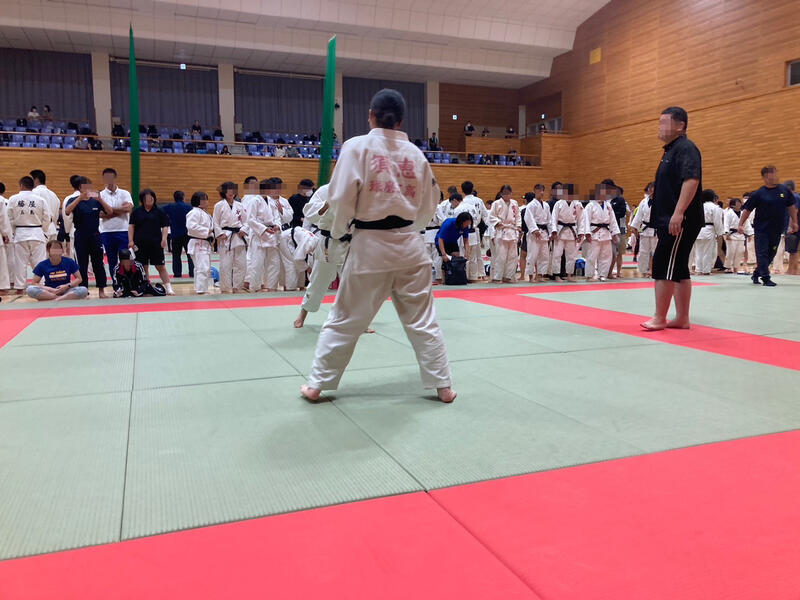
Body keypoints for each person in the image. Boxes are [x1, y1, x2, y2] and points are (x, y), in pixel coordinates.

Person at [301, 88, 455, 404]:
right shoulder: (416, 154)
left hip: (370, 244)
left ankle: (317, 385)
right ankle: (444, 387)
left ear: (371, 115)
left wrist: (341, 231)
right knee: (423, 321)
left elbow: (340, 197)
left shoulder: (357, 147)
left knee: (345, 318)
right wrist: (412, 227)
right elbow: (431, 203)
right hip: (411, 245)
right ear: (401, 120)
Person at [642, 107, 704, 331]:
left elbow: (691, 180)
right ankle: (682, 318)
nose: (659, 127)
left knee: (662, 264)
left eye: (663, 122)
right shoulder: (671, 150)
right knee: (678, 269)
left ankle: (659, 317)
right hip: (670, 218)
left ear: (680, 126)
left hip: (678, 219)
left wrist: (678, 212)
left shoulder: (685, 148)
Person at [737, 166, 798, 286]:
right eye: (771, 175)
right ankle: (765, 277)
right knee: (762, 253)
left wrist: (794, 222)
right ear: (765, 177)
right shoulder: (759, 193)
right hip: (761, 229)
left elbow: (791, 207)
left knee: (771, 253)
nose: (774, 177)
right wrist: (740, 224)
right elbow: (747, 210)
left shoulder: (784, 191)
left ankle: (756, 273)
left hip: (777, 228)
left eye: (775, 174)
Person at [64, 176, 112, 298]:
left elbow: (110, 211)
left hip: (95, 235)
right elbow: (67, 211)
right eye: (85, 187)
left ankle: (101, 290)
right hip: (80, 235)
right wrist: (79, 198)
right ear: (80, 188)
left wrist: (100, 199)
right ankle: (84, 290)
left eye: (89, 186)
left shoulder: (95, 201)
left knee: (98, 263)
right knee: (82, 264)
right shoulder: (73, 200)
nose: (87, 189)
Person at [7, 176, 52, 293]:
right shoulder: (40, 200)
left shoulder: (13, 199)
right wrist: (43, 230)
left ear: (21, 185)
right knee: (39, 262)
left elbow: (9, 218)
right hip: (37, 233)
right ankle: (41, 285)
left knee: (20, 263)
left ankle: (19, 288)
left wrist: (13, 231)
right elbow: (47, 218)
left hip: (20, 234)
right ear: (33, 186)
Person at [129, 189, 175, 295]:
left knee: (161, 266)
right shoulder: (136, 212)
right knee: (143, 267)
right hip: (140, 244)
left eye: (151, 198)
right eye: (147, 198)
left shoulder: (159, 211)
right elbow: (131, 226)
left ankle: (168, 288)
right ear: (142, 200)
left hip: (156, 243)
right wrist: (131, 240)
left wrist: (164, 239)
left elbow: (165, 226)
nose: (149, 200)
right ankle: (146, 287)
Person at [212, 181, 249, 292]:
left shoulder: (240, 205)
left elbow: (246, 221)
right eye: (228, 190)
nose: (231, 192)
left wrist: (243, 230)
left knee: (241, 264)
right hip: (226, 237)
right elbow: (215, 222)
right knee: (225, 265)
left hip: (238, 236)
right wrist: (220, 233)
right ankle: (225, 288)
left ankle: (237, 287)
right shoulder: (219, 205)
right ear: (224, 192)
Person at [247, 179, 281, 292]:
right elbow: (250, 220)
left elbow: (277, 217)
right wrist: (264, 229)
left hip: (272, 235)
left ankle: (271, 286)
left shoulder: (272, 201)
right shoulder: (254, 201)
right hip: (259, 235)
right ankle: (255, 287)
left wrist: (277, 225)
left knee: (274, 262)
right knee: (257, 263)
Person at [99, 167, 133, 280]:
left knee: (125, 258)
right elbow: (100, 214)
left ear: (115, 178)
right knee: (111, 259)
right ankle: (116, 282)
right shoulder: (100, 195)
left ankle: (127, 281)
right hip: (106, 231)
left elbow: (128, 209)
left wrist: (109, 210)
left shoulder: (125, 193)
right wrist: (119, 210)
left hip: (123, 230)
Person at [583, 182, 621, 281]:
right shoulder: (590, 206)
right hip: (594, 233)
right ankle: (589, 275)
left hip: (606, 233)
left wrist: (614, 233)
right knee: (592, 255)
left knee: (606, 255)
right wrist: (587, 233)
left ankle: (602, 274)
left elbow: (613, 220)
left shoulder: (608, 205)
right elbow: (586, 220)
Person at [549, 183, 585, 282]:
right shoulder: (558, 204)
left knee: (571, 255)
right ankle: (557, 275)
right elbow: (553, 218)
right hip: (560, 231)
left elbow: (581, 219)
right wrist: (554, 230)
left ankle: (569, 275)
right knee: (557, 254)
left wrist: (581, 232)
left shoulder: (578, 204)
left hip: (572, 231)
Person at [455, 180, 488, 282]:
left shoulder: (459, 207)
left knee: (464, 255)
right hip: (474, 231)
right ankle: (475, 276)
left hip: (462, 233)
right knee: (475, 255)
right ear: (472, 189)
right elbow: (484, 216)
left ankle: (464, 276)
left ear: (462, 191)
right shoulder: (477, 202)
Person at [488, 185, 521, 283]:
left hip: (512, 231)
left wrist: (519, 225)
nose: (506, 195)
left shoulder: (514, 203)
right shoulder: (496, 203)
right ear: (501, 194)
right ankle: (497, 277)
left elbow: (518, 216)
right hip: (501, 231)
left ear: (511, 193)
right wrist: (497, 222)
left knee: (513, 256)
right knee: (501, 256)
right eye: (504, 193)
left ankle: (508, 276)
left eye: (508, 193)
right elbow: (491, 216)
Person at [186, 191, 215, 294]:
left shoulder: (205, 213)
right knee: (203, 267)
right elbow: (191, 227)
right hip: (198, 242)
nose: (207, 201)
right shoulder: (194, 212)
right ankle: (201, 290)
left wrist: (211, 235)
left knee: (200, 268)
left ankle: (199, 288)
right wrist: (207, 231)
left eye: (207, 199)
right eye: (204, 199)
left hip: (204, 242)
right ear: (198, 201)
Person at [240, 176, 265, 292]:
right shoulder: (248, 198)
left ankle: (255, 281)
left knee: (257, 257)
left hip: (258, 230)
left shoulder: (257, 197)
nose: (255, 185)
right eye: (252, 184)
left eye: (256, 183)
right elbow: (247, 217)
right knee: (252, 257)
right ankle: (248, 281)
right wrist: (245, 229)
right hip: (251, 230)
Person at [162, 190, 194, 279]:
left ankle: (177, 274)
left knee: (176, 256)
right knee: (190, 255)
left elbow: (160, 211)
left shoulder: (170, 206)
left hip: (175, 234)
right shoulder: (189, 207)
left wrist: (167, 220)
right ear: (183, 197)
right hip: (187, 234)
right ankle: (192, 273)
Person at [523, 184, 551, 282]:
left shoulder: (546, 205)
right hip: (534, 234)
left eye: (543, 190)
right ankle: (530, 276)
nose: (541, 192)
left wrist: (551, 232)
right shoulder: (531, 205)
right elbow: (528, 218)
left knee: (544, 255)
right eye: (539, 190)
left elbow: (549, 221)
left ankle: (540, 275)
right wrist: (535, 230)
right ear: (535, 191)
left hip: (544, 233)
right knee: (532, 255)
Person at [693, 189, 725, 275]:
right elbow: (717, 221)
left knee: (698, 251)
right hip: (709, 230)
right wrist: (719, 233)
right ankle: (706, 271)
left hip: (698, 230)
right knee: (708, 251)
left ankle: (698, 270)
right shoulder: (715, 207)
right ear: (713, 197)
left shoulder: (698, 206)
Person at [630, 182, 657, 277]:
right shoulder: (644, 201)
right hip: (645, 229)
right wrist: (634, 228)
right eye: (650, 189)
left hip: (657, 229)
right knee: (643, 251)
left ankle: (654, 270)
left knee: (656, 251)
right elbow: (638, 216)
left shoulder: (662, 200)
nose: (651, 191)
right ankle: (644, 270)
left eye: (653, 188)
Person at [604, 179, 629, 278]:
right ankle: (602, 272)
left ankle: (612, 272)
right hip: (603, 229)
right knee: (604, 252)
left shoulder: (620, 200)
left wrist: (610, 215)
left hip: (618, 228)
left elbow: (623, 213)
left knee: (616, 252)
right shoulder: (602, 200)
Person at [30, 170, 61, 241]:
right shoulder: (53, 194)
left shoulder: (33, 193)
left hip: (39, 229)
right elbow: (56, 215)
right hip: (52, 228)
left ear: (36, 180)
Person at [724, 198, 747, 274]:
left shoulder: (743, 213)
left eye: (739, 203)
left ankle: (736, 267)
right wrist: (727, 233)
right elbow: (726, 223)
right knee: (730, 252)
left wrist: (750, 234)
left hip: (740, 235)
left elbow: (747, 224)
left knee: (740, 252)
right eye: (737, 203)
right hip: (731, 235)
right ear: (733, 205)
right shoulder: (729, 213)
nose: (739, 204)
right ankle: (728, 267)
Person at [783, 180, 800, 275]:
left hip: (795, 227)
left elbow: (794, 211)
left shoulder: (794, 197)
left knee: (793, 250)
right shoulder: (796, 196)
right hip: (796, 226)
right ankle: (794, 270)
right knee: (794, 249)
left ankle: (791, 270)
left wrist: (791, 226)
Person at [0, 182, 11, 293]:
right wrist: (5, 234)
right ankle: (2, 287)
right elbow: (3, 219)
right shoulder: (1, 200)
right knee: (1, 262)